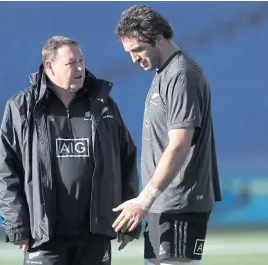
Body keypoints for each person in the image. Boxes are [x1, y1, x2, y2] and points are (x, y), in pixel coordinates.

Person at [0, 35, 141, 265]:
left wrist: (127, 220)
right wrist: (16, 224)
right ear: (49, 66)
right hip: (44, 236)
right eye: (72, 63)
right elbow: (7, 171)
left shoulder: (103, 106)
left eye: (82, 60)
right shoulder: (22, 107)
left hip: (94, 236)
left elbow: (127, 160)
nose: (80, 68)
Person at [112, 5, 223, 265]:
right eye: (129, 52)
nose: (133, 59)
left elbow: (179, 145)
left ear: (159, 36)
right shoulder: (164, 74)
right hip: (162, 203)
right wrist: (145, 204)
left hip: (179, 203)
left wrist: (144, 199)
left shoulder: (181, 74)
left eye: (137, 49)